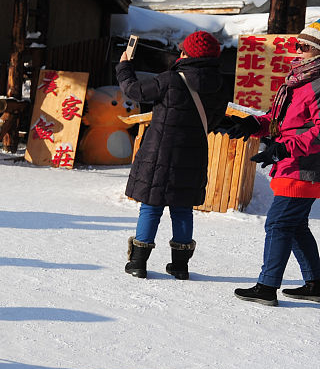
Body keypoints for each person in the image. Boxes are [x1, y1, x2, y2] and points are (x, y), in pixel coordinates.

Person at [218, 21, 320, 306]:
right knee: (295, 225)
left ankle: (267, 287)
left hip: (304, 164)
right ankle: (315, 284)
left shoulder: (317, 83)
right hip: (293, 162)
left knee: (278, 224)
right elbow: (282, 123)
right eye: (297, 45)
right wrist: (251, 124)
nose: (296, 51)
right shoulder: (298, 82)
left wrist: (283, 149)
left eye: (304, 47)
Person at [117, 30, 228, 280]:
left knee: (151, 206)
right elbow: (214, 120)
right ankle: (180, 267)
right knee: (182, 208)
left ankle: (137, 263)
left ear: (186, 53)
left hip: (159, 153)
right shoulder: (219, 85)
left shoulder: (170, 79)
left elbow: (134, 91)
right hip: (193, 154)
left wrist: (124, 66)